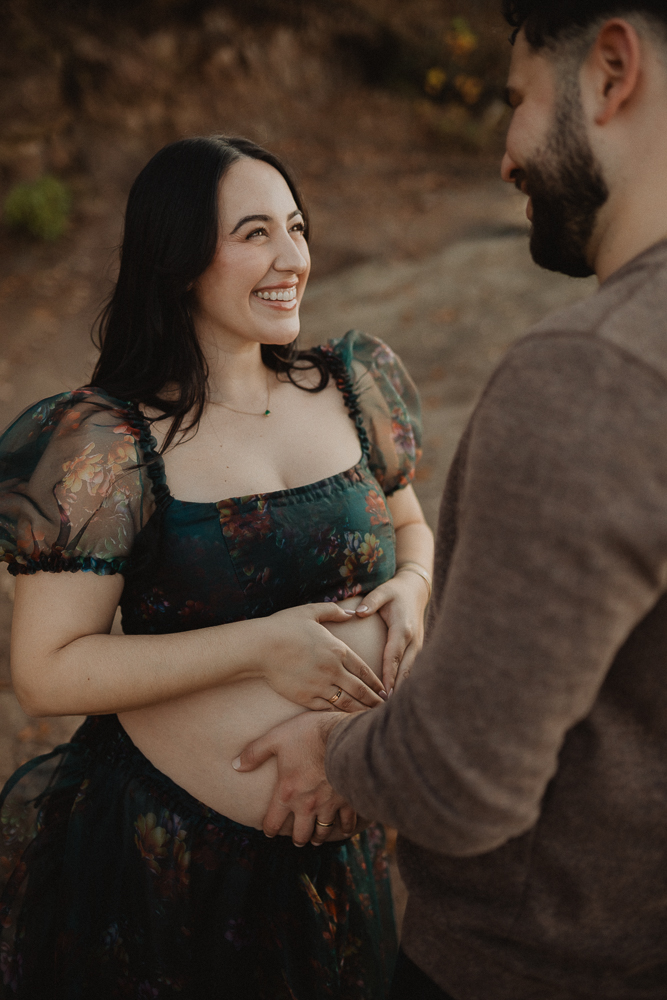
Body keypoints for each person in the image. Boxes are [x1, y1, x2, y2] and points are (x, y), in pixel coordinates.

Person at [234, 4, 667, 999]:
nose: (507, 157)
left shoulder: (594, 370)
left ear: (610, 71)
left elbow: (465, 780)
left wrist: (337, 756)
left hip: (538, 964)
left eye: (516, 100)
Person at [0, 135, 434, 998]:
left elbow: (412, 527)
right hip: (171, 870)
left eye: (297, 227)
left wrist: (414, 591)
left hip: (348, 842)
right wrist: (261, 648)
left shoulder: (352, 385)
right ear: (179, 259)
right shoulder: (105, 442)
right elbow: (45, 673)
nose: (291, 258)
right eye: (254, 233)